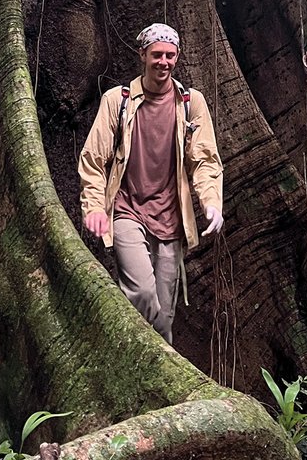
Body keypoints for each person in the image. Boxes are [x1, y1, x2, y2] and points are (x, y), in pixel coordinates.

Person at [78, 23, 224, 343]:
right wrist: (94, 207)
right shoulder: (118, 101)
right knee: (143, 293)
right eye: (157, 54)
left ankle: (153, 368)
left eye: (170, 55)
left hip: (171, 219)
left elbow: (205, 160)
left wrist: (211, 202)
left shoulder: (190, 102)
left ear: (177, 57)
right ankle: (151, 361)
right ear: (142, 55)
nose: (164, 62)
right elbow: (93, 159)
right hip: (127, 210)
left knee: (164, 315)